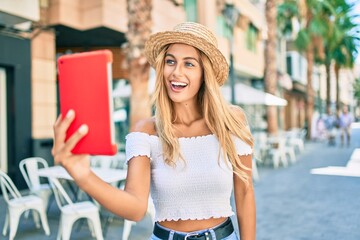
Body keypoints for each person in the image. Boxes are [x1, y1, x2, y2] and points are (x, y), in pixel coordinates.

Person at [52, 22, 255, 240]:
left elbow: (244, 193)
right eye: (170, 61)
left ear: (205, 73)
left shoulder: (231, 121)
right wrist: (82, 175)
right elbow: (135, 208)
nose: (176, 72)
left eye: (189, 64)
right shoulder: (146, 131)